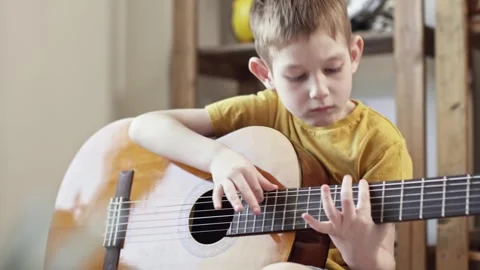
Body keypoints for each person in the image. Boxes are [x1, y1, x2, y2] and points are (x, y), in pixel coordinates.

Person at [128, 0, 413, 269]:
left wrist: (357, 248)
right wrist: (217, 158)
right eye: (297, 76)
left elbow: (383, 262)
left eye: (332, 69)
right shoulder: (267, 109)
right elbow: (143, 127)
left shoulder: (381, 144)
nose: (319, 90)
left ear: (353, 55)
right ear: (266, 75)